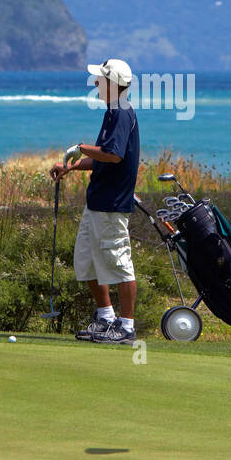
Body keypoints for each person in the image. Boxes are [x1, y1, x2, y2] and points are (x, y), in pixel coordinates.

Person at [50, 58, 140, 344]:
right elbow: (103, 156)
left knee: (119, 261)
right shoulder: (112, 112)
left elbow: (113, 154)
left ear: (112, 83)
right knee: (86, 261)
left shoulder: (122, 112)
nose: (96, 83)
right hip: (98, 202)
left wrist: (79, 147)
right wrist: (72, 166)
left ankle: (125, 327)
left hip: (112, 204)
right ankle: (106, 318)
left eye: (100, 79)